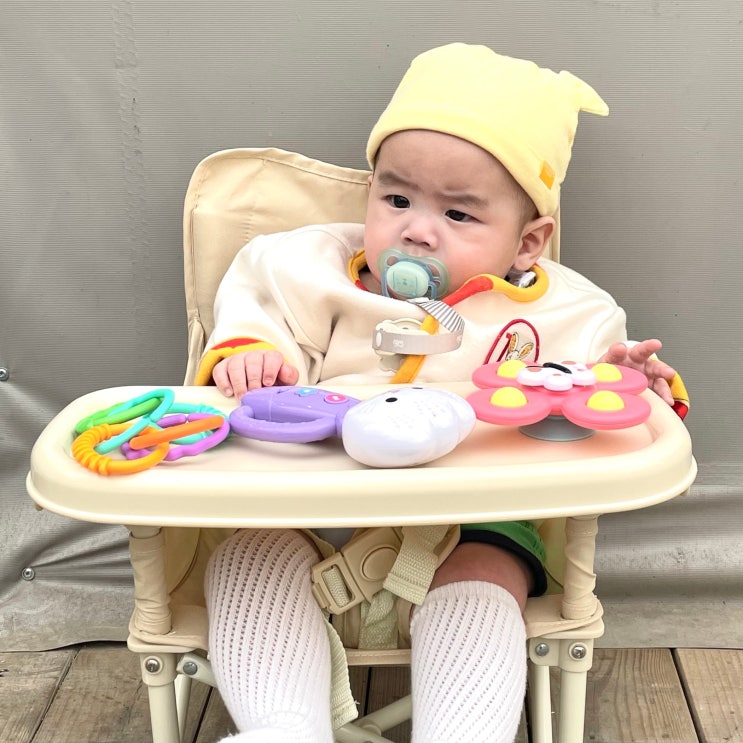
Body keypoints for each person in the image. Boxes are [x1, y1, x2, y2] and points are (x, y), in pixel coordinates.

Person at [197, 43, 685, 743]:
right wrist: (251, 355)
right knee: (245, 555)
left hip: (474, 522)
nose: (416, 230)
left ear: (528, 242)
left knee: (488, 571)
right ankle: (280, 729)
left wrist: (629, 380)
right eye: (396, 199)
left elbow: (594, 396)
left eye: (458, 215)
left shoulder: (566, 311)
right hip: (309, 511)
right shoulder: (308, 269)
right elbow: (258, 314)